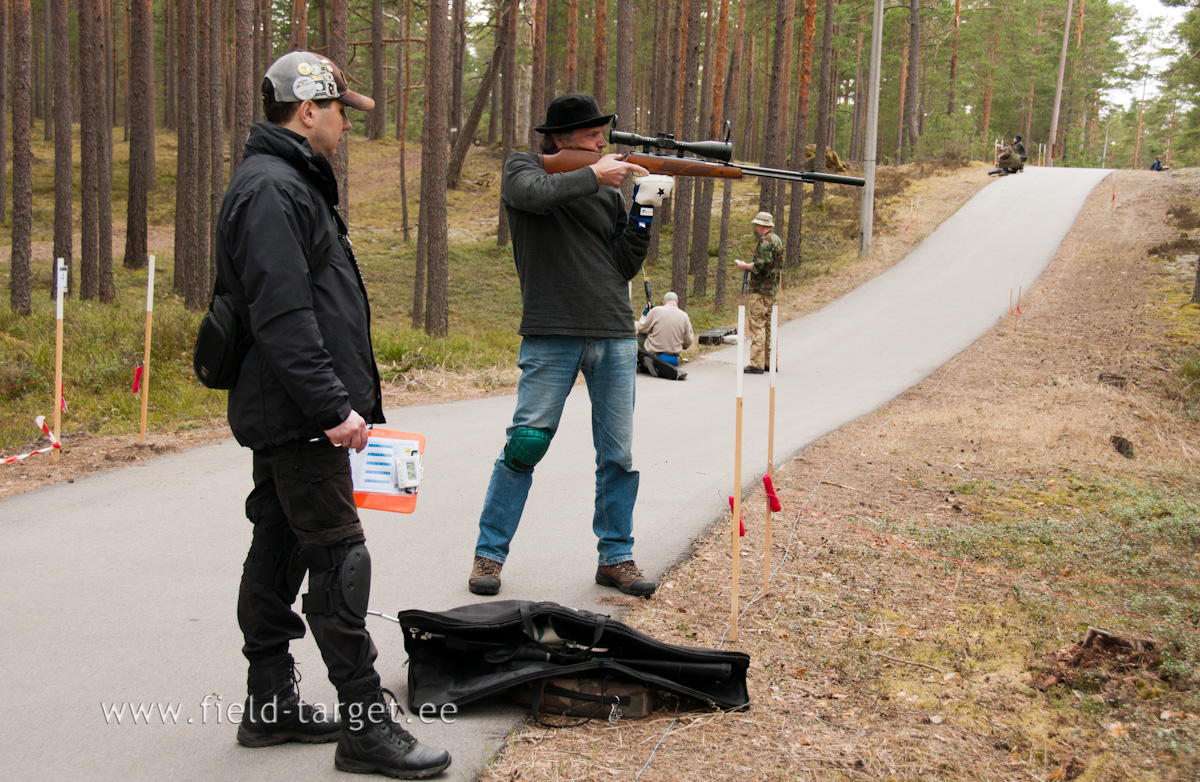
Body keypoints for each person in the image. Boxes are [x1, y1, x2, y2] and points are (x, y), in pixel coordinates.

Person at [215, 51, 450, 778]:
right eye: (341, 109)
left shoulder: (288, 184)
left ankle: (269, 703)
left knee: (279, 546)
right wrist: (332, 408)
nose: (348, 123)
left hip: (290, 407)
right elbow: (284, 315)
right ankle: (365, 721)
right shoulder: (272, 190)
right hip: (300, 412)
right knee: (340, 558)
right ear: (307, 109)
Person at [468, 93, 670, 598]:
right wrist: (594, 175)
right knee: (526, 444)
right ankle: (488, 556)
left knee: (618, 455)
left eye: (602, 134)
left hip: (614, 332)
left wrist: (643, 210)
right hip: (551, 330)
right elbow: (533, 194)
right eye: (591, 135)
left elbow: (623, 263)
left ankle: (616, 557)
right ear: (561, 140)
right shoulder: (523, 168)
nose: (602, 142)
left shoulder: (607, 190)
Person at [734, 212, 783, 374]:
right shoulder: (777, 240)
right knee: (770, 326)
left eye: (757, 224)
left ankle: (757, 363)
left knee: (757, 325)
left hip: (760, 290)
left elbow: (761, 266)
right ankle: (770, 362)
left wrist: (745, 266)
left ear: (762, 225)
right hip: (772, 290)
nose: (756, 227)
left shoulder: (765, 242)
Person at [637, 292, 694, 367]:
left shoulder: (656, 310)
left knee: (637, 328)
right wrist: (684, 346)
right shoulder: (684, 315)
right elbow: (689, 339)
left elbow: (641, 328)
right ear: (677, 302)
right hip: (674, 353)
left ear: (664, 302)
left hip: (654, 352)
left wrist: (644, 315)